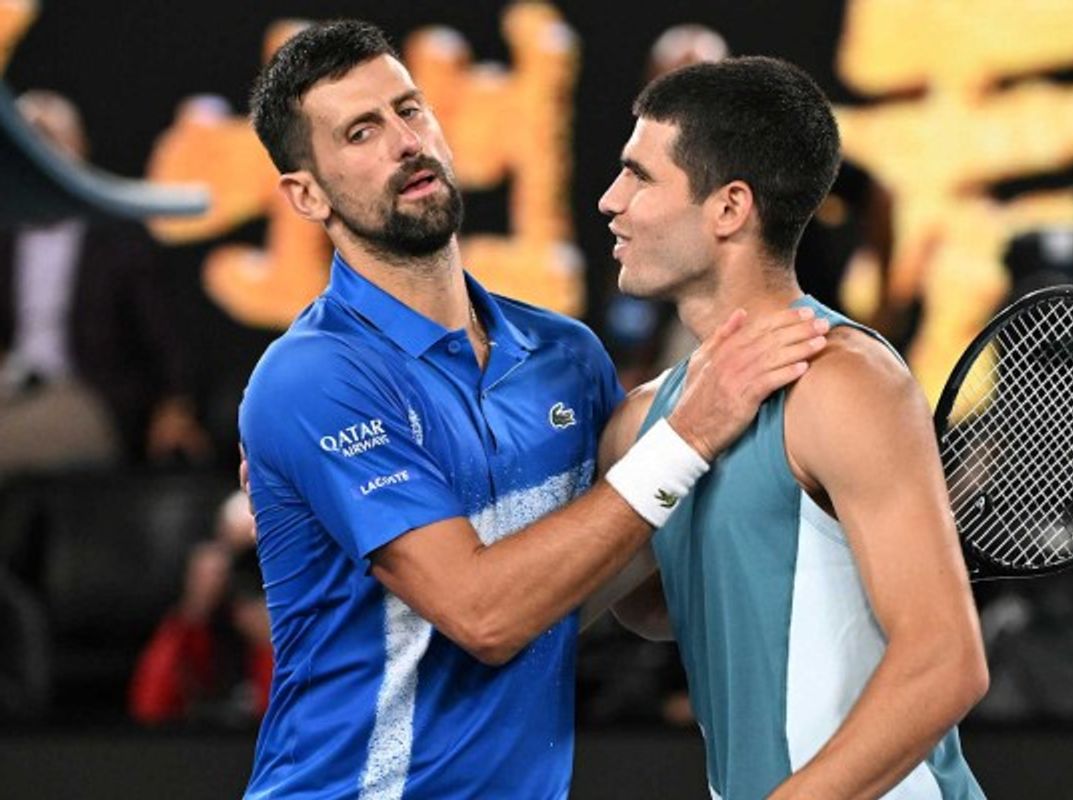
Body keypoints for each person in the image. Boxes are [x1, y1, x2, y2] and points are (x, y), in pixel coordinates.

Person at [237, 21, 828, 798]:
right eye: (361, 132)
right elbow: (485, 617)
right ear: (306, 193)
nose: (405, 143)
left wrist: (818, 533)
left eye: (411, 110)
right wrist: (688, 431)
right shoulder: (311, 378)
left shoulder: (567, 357)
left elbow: (627, 589)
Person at [597, 57, 988, 799]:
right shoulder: (644, 421)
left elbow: (946, 661)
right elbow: (659, 610)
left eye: (640, 177)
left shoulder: (844, 382)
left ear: (730, 208)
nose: (611, 201)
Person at [0, 90, 210, 474]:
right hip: (14, 386)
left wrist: (176, 407)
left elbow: (167, 336)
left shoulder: (120, 241)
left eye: (50, 138)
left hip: (90, 396)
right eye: (29, 140)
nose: (41, 152)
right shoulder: (8, 237)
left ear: (79, 148)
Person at [128, 491, 271, 726]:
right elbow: (148, 709)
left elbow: (291, 728)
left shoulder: (311, 611)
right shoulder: (197, 630)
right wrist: (193, 612)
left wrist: (270, 643)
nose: (252, 571)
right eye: (241, 557)